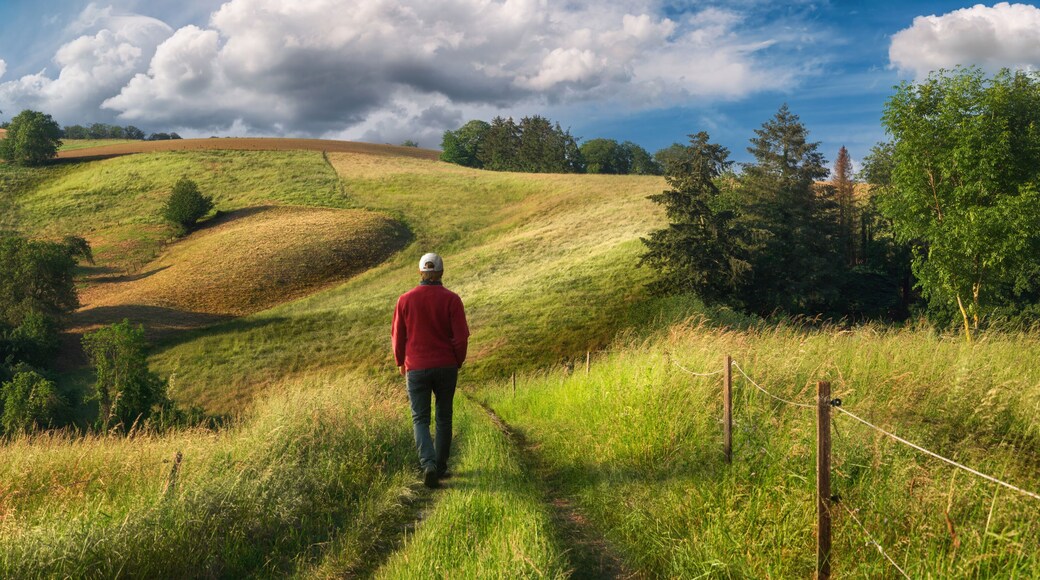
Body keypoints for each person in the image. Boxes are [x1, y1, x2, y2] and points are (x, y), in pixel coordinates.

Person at [392, 252, 469, 489]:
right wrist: (457, 361)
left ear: (420, 273)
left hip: (416, 367)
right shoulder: (452, 300)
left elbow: (398, 337)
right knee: (444, 416)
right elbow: (461, 337)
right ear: (441, 273)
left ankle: (428, 465)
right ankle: (442, 466)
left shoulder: (404, 300)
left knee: (420, 418)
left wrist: (400, 363)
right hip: (446, 366)